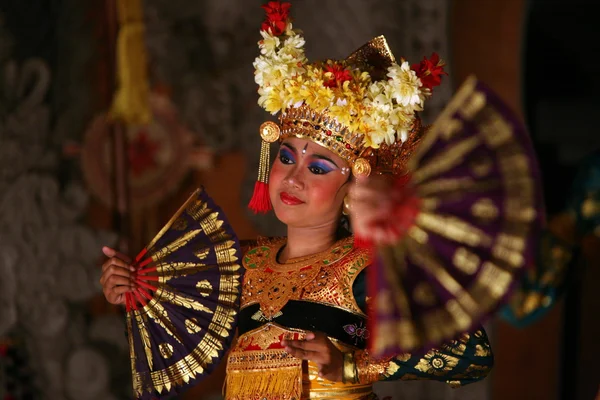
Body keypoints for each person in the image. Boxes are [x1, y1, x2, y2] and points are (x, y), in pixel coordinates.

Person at [99, 1, 493, 399]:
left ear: (351, 191)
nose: (293, 176)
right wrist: (128, 284)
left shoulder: (365, 269)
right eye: (286, 157)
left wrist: (351, 366)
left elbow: (471, 351)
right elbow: (162, 297)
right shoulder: (241, 263)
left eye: (318, 168)